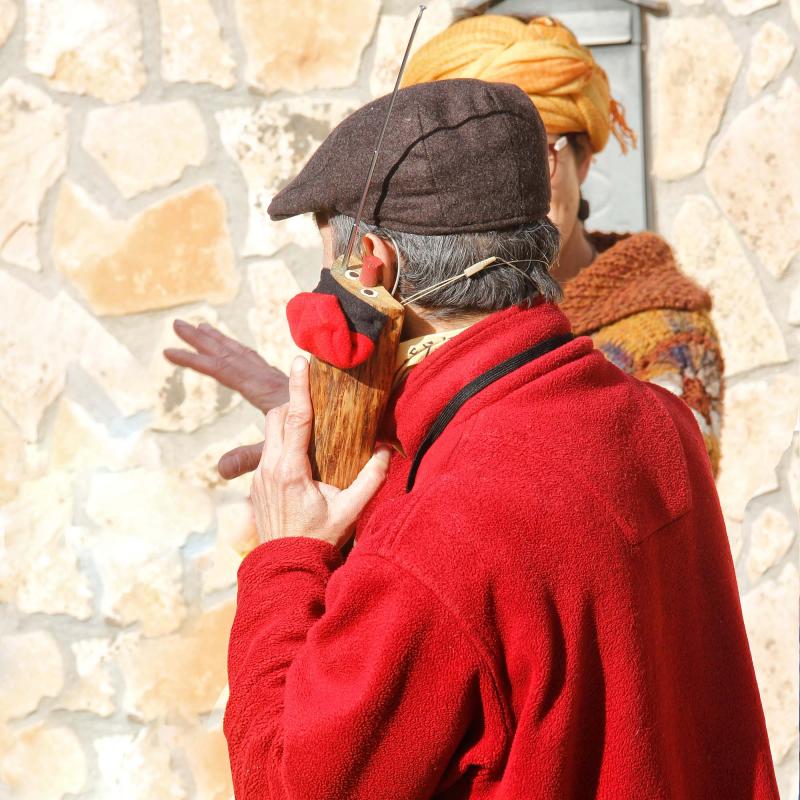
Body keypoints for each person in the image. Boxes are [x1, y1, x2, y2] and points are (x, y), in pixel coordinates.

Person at [223, 78, 777, 799]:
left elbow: (285, 783)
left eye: (329, 262)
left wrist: (284, 558)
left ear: (373, 269)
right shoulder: (657, 425)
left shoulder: (436, 539)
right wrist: (341, 435)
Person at [165, 14, 724, 481]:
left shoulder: (664, 333)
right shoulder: (423, 318)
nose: (506, 191)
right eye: (476, 173)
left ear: (585, 159)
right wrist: (319, 420)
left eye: (536, 158)